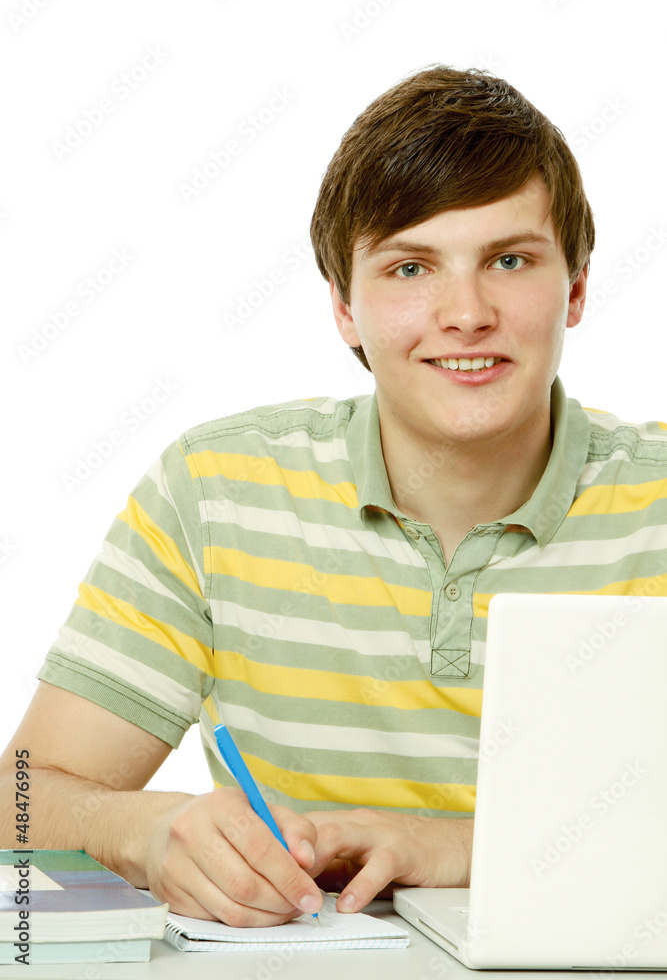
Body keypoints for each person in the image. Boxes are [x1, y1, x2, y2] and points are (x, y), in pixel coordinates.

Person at [5, 60, 660, 930]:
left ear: (574, 288)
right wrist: (146, 829)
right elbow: (20, 800)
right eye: (409, 268)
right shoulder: (216, 493)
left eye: (508, 259)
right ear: (345, 309)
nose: (464, 313)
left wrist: (461, 846)